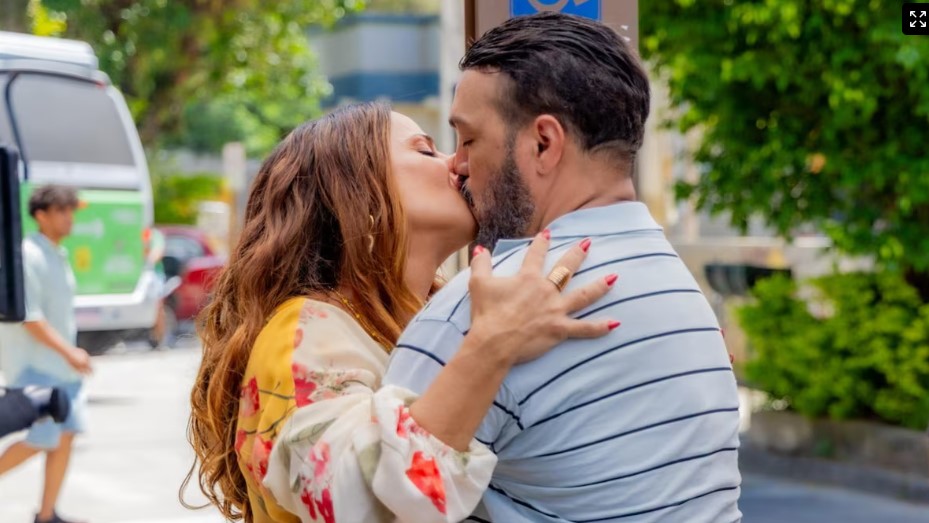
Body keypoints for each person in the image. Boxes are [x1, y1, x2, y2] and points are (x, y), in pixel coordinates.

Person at [184, 102, 621, 522]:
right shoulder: (302, 329)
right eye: (426, 151)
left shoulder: (429, 320)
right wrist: (494, 344)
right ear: (359, 193)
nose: (458, 162)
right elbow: (355, 501)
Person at [385, 12, 743, 522]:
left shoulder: (486, 308)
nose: (457, 164)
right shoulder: (681, 292)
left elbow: (377, 498)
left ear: (544, 144)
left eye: (469, 139)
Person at [0, 185, 92, 523]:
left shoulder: (56, 253)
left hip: (61, 370)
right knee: (42, 439)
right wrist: (71, 353)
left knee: (64, 436)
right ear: (41, 215)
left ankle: (47, 515)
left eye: (70, 211)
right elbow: (30, 318)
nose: (69, 218)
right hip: (36, 368)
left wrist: (70, 357)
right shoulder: (28, 255)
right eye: (61, 211)